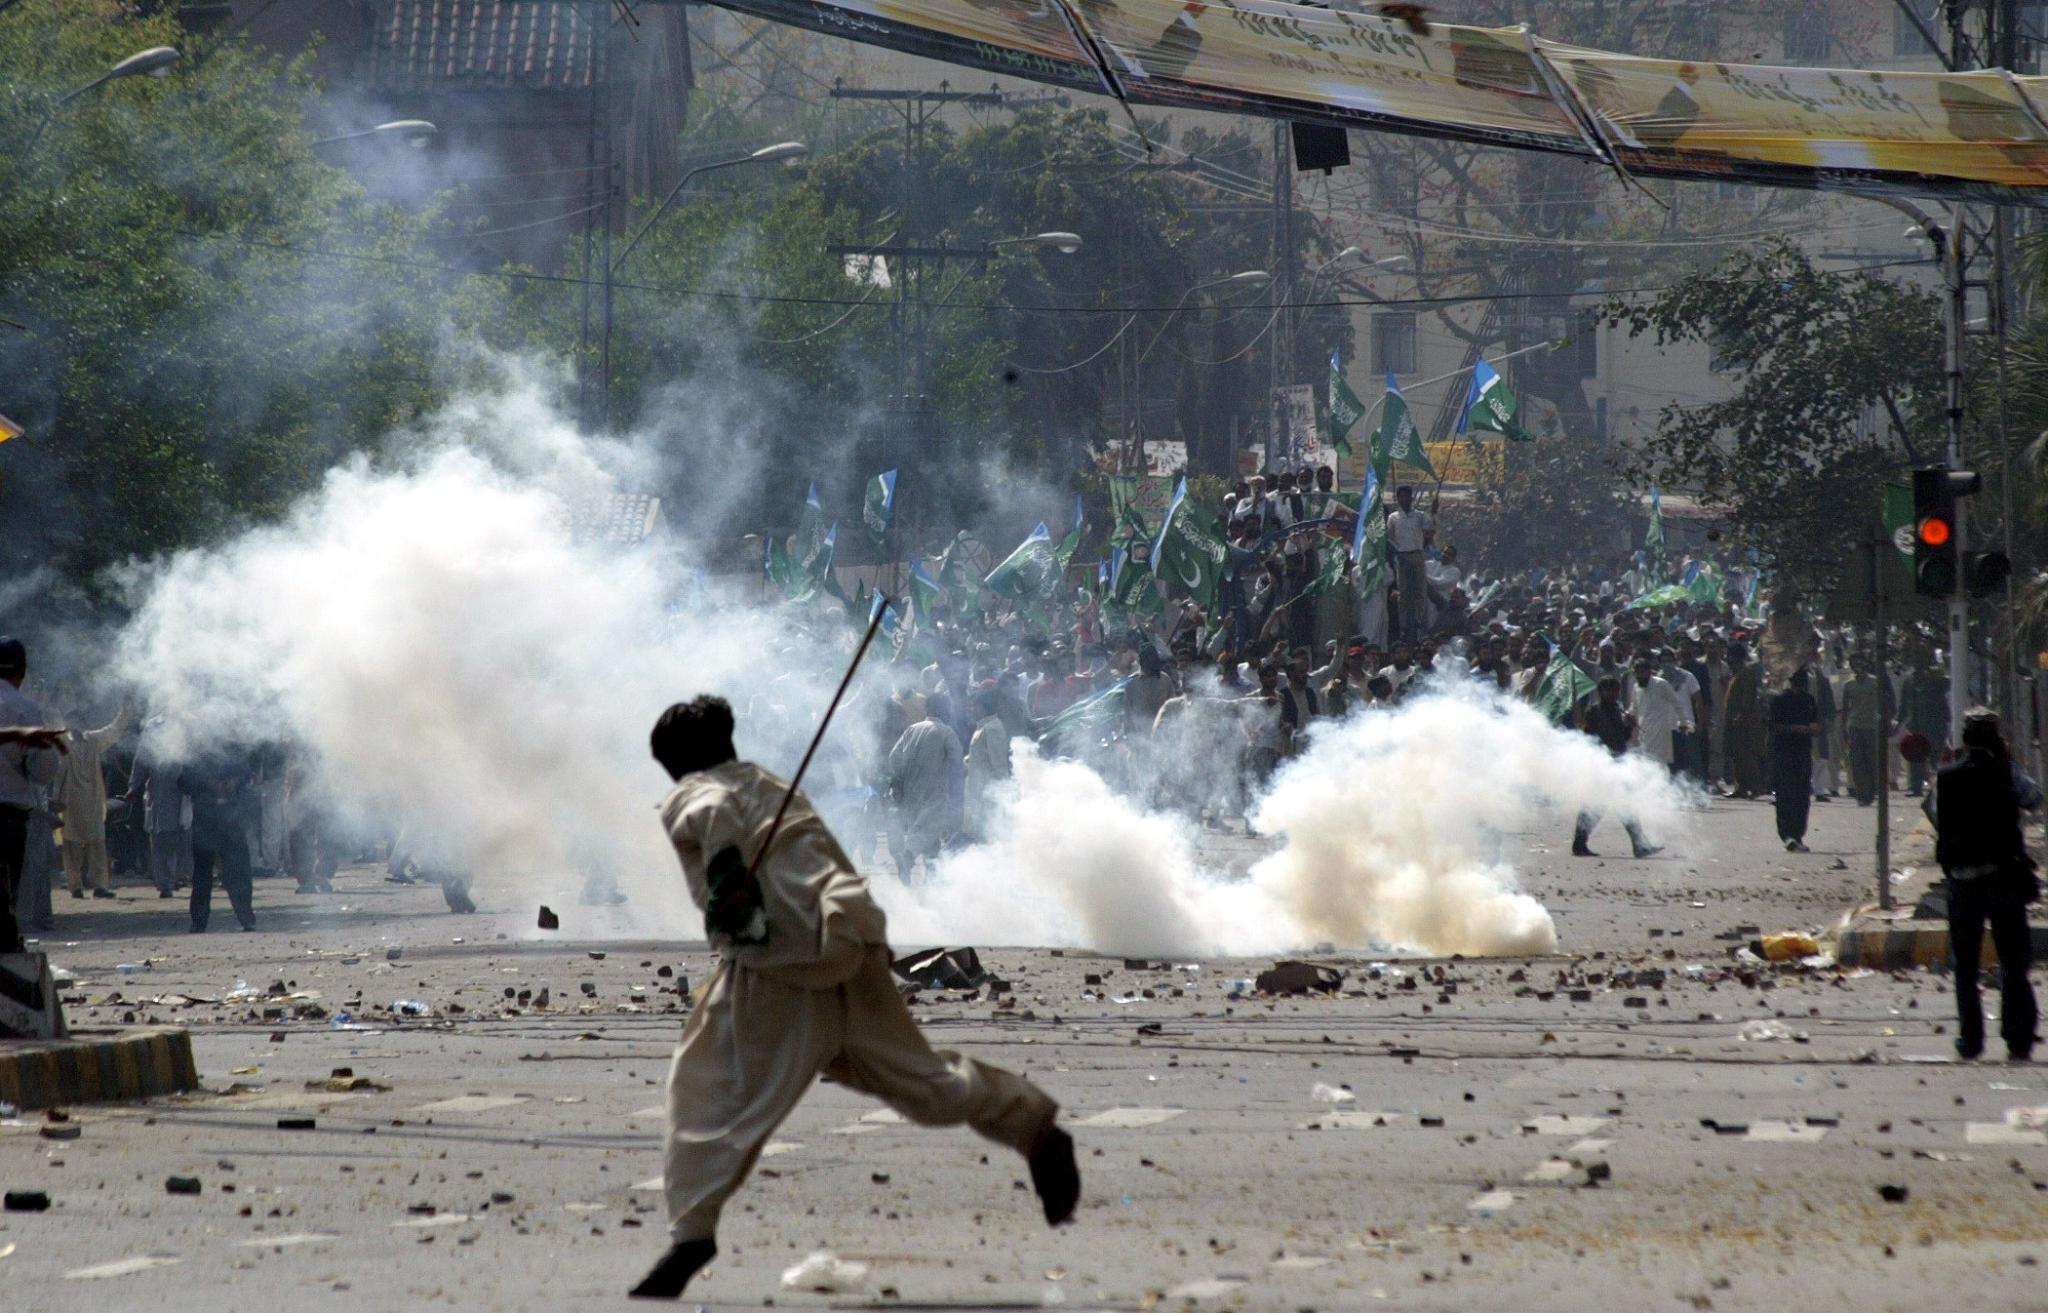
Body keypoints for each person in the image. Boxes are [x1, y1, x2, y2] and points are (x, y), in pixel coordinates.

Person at [632, 696, 1077, 1300]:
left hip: (780, 963)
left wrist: (727, 888)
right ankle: (1035, 1127)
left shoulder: (696, 792)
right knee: (923, 1081)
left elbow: (715, 823)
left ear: (681, 763)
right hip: (851, 937)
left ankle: (692, 1234)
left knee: (704, 1086)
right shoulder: (770, 784)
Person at [1927, 708, 2041, 1062]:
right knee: (2013, 961)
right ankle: (2018, 1039)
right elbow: (2035, 799)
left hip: (1963, 881)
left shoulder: (1946, 777)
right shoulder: (2007, 772)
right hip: (2004, 878)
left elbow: (1932, 812)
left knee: (1965, 965)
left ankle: (1971, 1040)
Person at [0, 639, 63, 953]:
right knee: (9, 886)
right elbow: (44, 768)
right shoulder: (24, 708)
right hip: (8, 815)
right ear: (21, 672)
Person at [1571, 675, 1660, 859]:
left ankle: (1639, 845)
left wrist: (1630, 726)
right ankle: (1579, 844)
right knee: (1595, 806)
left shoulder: (1619, 710)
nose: (1612, 694)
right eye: (1608, 690)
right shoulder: (1594, 711)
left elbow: (1623, 738)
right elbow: (1589, 738)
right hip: (1602, 763)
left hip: (1618, 761)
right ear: (1601, 692)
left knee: (1623, 804)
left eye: (1615, 690)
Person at [54, 702, 131, 901]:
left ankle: (100, 886)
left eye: (78, 721)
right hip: (69, 803)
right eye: (72, 721)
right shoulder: (61, 741)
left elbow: (113, 730)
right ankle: (75, 886)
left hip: (93, 801)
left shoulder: (93, 741)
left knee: (97, 845)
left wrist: (126, 709)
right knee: (71, 847)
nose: (76, 724)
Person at [886, 694, 964, 879]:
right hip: (935, 790)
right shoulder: (946, 732)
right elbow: (957, 763)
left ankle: (932, 878)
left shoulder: (912, 729)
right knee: (926, 830)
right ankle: (908, 857)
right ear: (944, 710)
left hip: (911, 791)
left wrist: (899, 780)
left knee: (926, 832)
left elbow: (893, 758)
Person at [184, 750, 256, 933]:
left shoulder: (233, 747)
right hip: (205, 821)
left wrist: (234, 782)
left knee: (239, 871)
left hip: (232, 820)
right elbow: (183, 781)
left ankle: (246, 917)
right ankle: (198, 921)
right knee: (202, 876)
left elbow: (247, 772)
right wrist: (207, 785)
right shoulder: (195, 752)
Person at [126, 736, 192, 898]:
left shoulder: (187, 726)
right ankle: (165, 883)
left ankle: (177, 876)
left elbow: (195, 761)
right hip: (157, 796)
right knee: (159, 839)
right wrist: (133, 786)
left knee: (181, 839)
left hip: (181, 796)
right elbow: (141, 761)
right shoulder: (153, 728)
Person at [1768, 669, 1823, 852]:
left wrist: (1804, 729)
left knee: (1799, 795)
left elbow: (1815, 727)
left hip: (1799, 753)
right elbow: (1774, 726)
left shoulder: (1808, 700)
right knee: (1786, 795)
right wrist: (1797, 729)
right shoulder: (1779, 700)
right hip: (1785, 752)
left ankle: (1795, 835)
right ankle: (1789, 835)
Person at [962, 690, 1012, 843]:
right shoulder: (983, 727)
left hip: (987, 791)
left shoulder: (993, 728)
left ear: (984, 707)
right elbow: (979, 754)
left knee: (988, 833)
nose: (972, 710)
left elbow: (999, 764)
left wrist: (1001, 792)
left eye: (975, 706)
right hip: (977, 788)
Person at [1719, 644, 1766, 798]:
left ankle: (1756, 787)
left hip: (1744, 723)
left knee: (1746, 757)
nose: (1727, 658)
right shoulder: (1737, 674)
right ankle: (1742, 787)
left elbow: (1747, 699)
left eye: (1729, 655)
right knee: (1737, 756)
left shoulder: (1746, 674)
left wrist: (1740, 716)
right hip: (1735, 721)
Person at [1386, 485, 1432, 643]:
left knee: (1420, 590)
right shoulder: (1393, 517)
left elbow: (1428, 531)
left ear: (1411, 498)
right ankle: (1404, 626)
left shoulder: (1420, 515)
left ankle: (1420, 623)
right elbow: (1390, 538)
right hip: (1401, 556)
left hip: (1417, 554)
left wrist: (1434, 512)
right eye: (1401, 496)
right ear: (1398, 498)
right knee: (1403, 593)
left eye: (1407, 496)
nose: (1404, 499)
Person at [1839, 655, 1883, 806]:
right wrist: (1844, 729)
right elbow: (1845, 708)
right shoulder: (1849, 685)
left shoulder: (1875, 682)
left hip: (1871, 725)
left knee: (1871, 760)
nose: (1858, 667)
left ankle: (1872, 791)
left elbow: (1883, 703)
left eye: (1861, 664)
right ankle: (1861, 793)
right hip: (1854, 725)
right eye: (1855, 664)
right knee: (1856, 761)